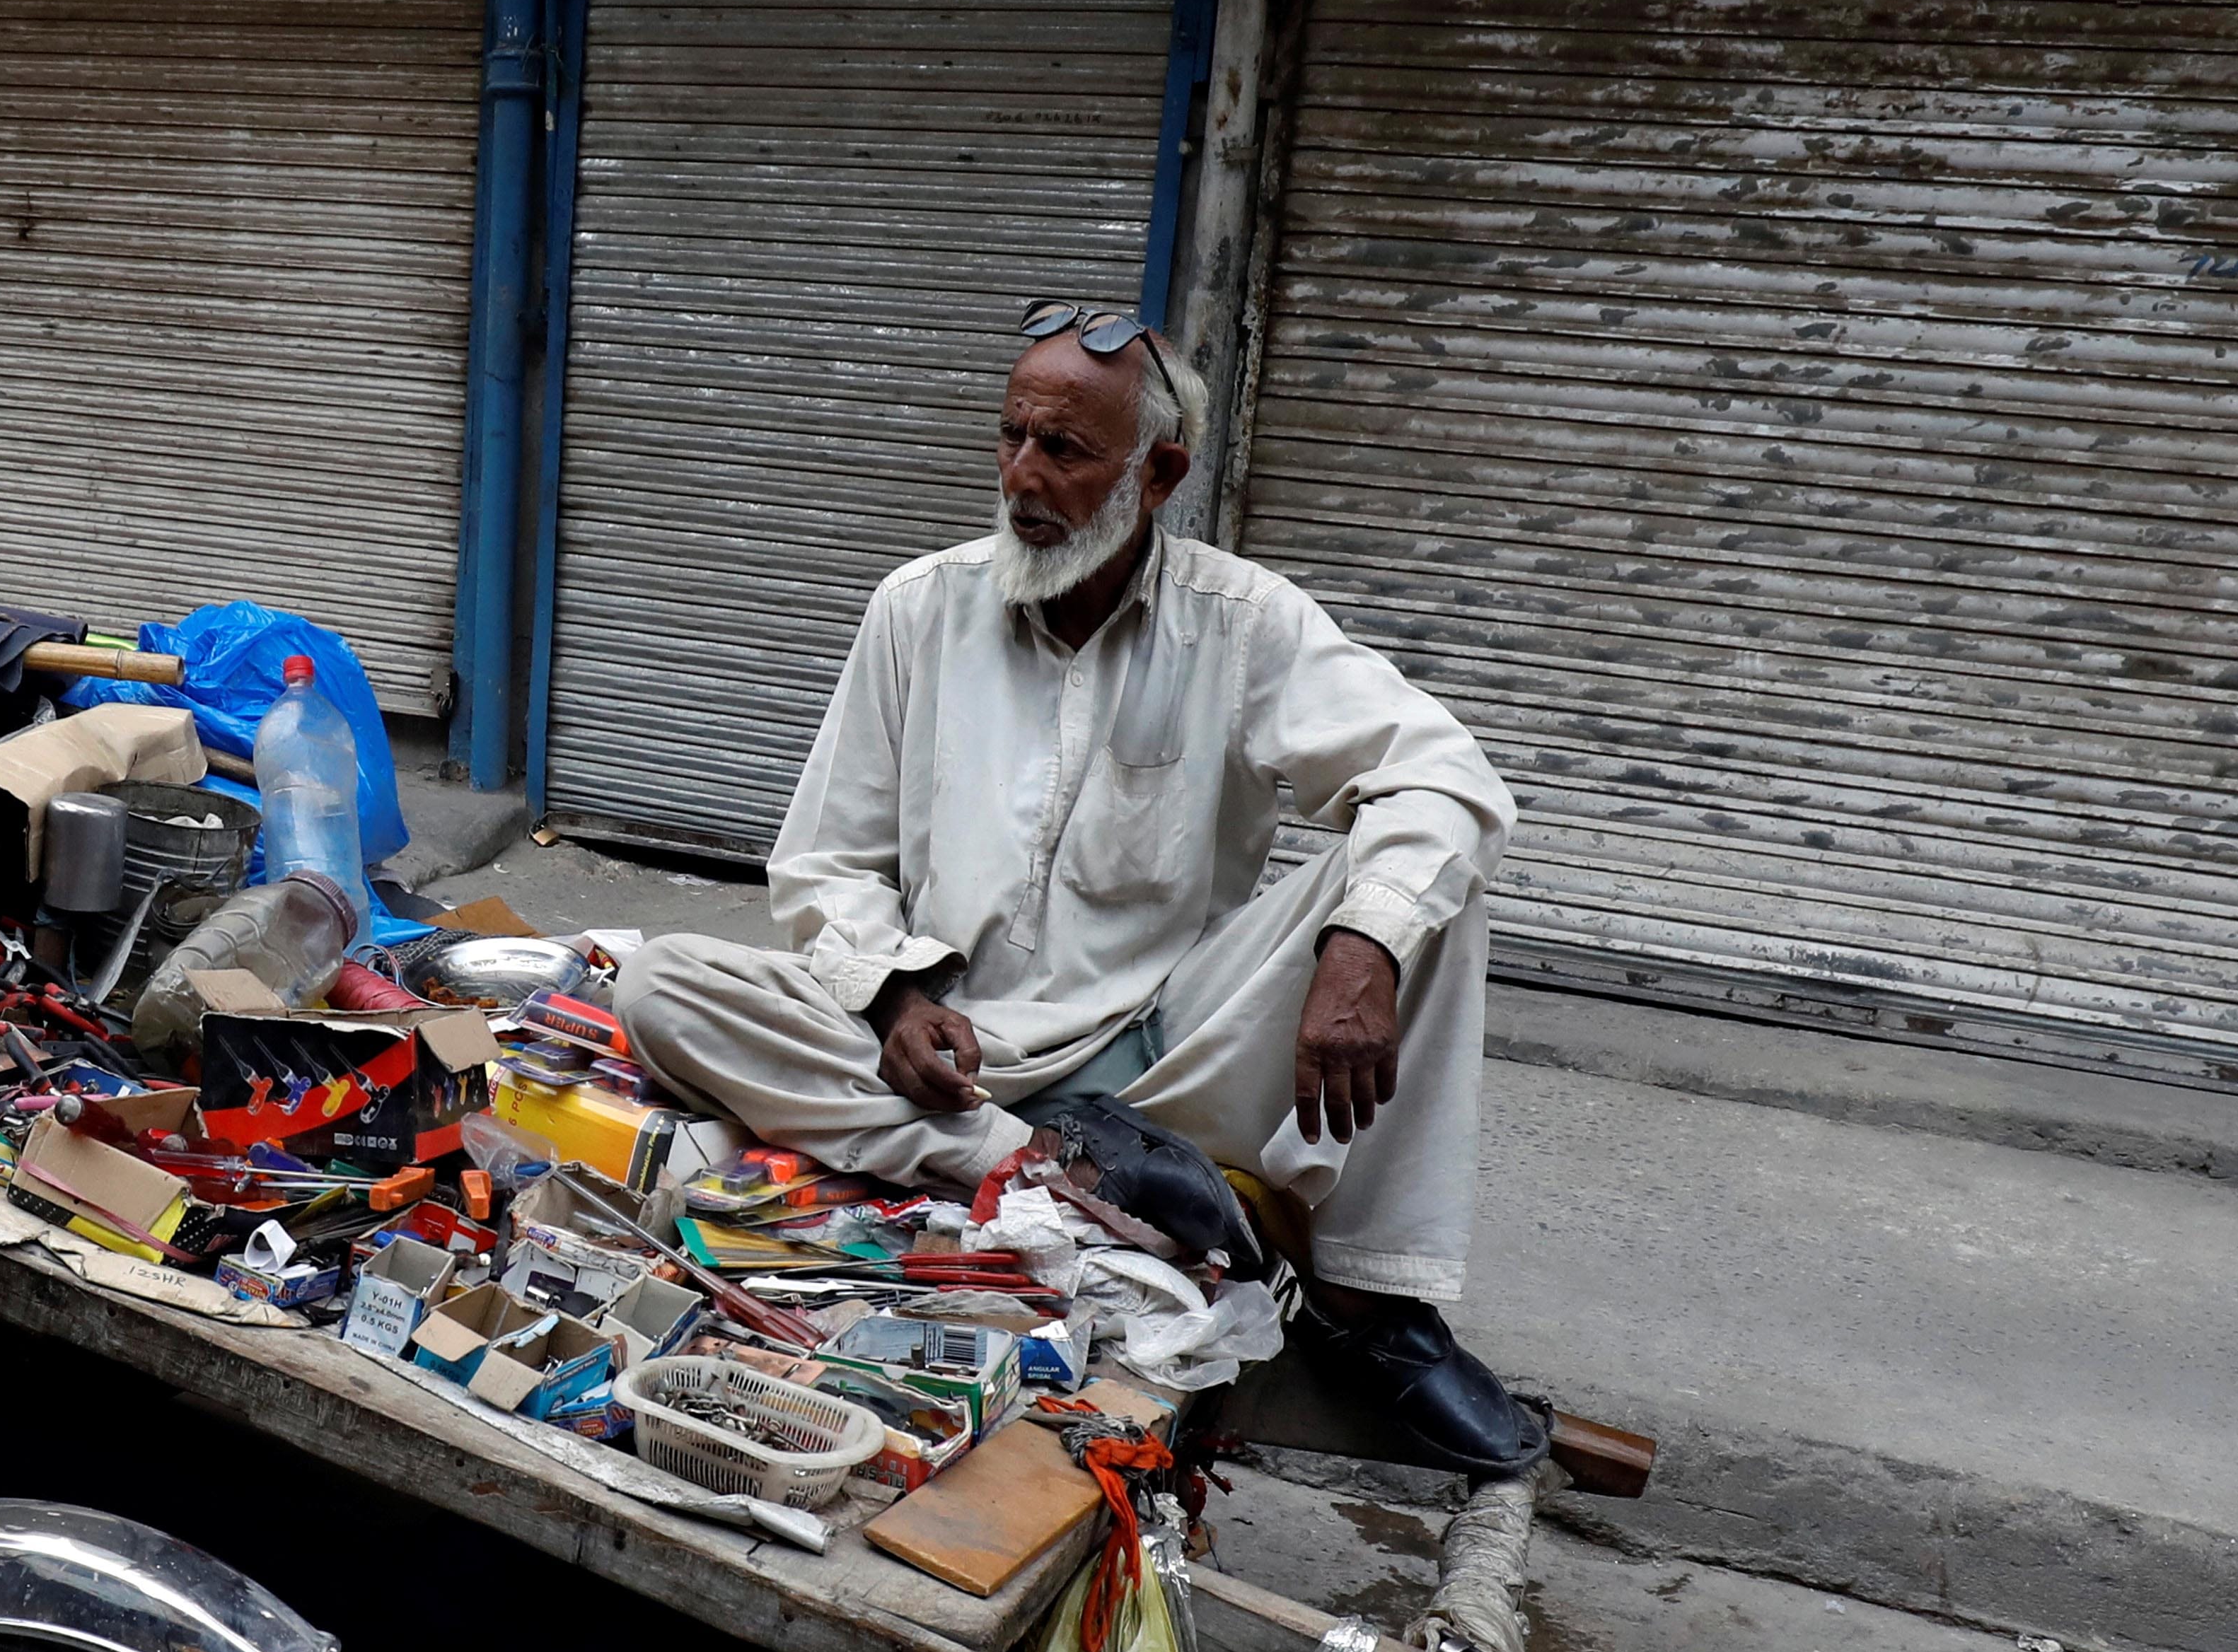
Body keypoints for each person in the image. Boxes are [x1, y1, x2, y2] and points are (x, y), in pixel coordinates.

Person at [612, 305, 1546, 1472]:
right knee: (662, 983)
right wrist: (896, 997)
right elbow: (825, 864)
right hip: (965, 1063)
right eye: (1011, 439)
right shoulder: (918, 610)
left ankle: (1372, 1311)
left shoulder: (1242, 623)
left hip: (1175, 1061)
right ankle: (1029, 1165)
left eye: (1063, 452)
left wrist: (1363, 951)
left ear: (1158, 475)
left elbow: (1446, 773)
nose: (1022, 478)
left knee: (1419, 874)